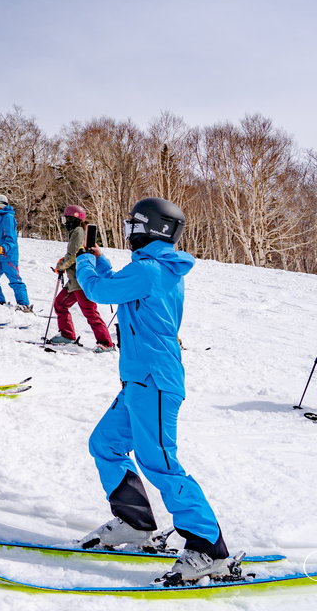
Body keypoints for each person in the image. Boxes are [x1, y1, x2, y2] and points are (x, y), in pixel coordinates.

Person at [74, 197, 233, 586]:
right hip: (139, 381)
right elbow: (116, 285)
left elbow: (95, 290)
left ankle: (208, 549)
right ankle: (134, 522)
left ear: (152, 228)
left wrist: (83, 260)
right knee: (105, 444)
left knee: (159, 461)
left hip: (156, 382)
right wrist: (102, 261)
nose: (129, 231)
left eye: (133, 224)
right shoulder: (152, 268)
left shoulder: (150, 270)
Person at [50, 206, 115, 350]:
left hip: (81, 281)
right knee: (60, 304)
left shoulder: (78, 232)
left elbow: (73, 256)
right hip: (74, 280)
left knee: (90, 312)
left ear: (73, 219)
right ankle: (67, 335)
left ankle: (106, 343)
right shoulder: (77, 232)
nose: (65, 222)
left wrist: (60, 266)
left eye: (66, 219)